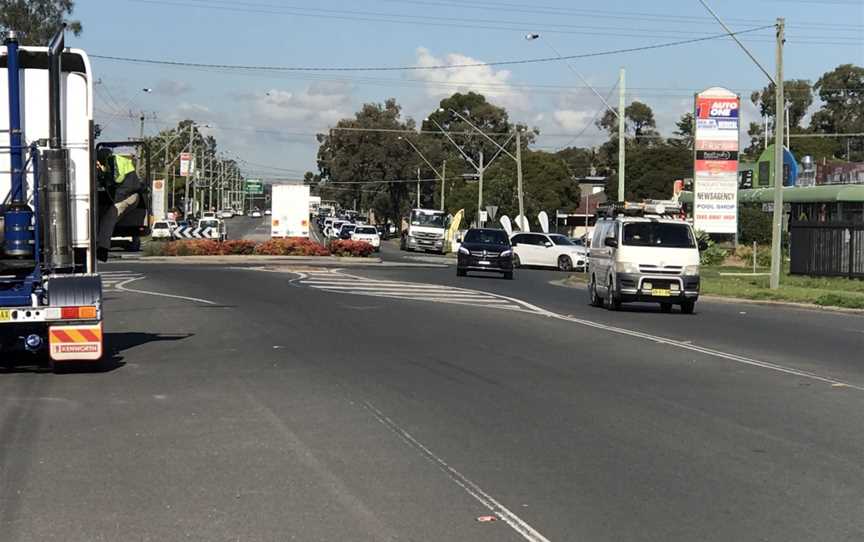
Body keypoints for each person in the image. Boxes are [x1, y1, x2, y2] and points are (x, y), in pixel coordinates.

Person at [96, 148, 142, 262]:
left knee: (110, 215)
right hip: (123, 194)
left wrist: (102, 173)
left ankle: (102, 250)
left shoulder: (115, 162)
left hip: (129, 196)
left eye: (98, 163)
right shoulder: (111, 162)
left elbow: (124, 185)